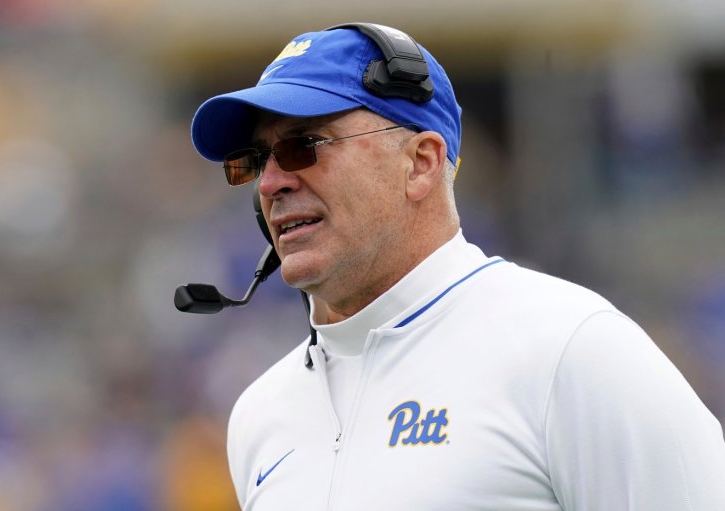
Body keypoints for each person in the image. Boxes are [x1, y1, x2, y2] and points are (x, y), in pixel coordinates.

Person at [188, 23, 725, 510]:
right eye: (256, 159)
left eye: (304, 146)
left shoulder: (572, 351)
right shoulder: (259, 414)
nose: (270, 184)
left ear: (420, 163)